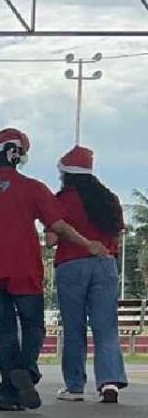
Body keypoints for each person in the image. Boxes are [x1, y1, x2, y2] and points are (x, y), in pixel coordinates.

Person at [0, 129, 109, 412]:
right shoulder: (34, 188)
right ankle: (26, 372)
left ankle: (8, 395)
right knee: (33, 326)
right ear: (19, 157)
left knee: (5, 331)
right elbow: (59, 226)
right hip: (24, 269)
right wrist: (88, 244)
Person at [48, 145, 128, 403]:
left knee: (74, 327)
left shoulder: (62, 200)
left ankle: (74, 386)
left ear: (66, 173)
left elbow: (51, 238)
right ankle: (109, 382)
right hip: (105, 264)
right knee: (106, 327)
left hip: (71, 264)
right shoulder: (110, 199)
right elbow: (117, 232)